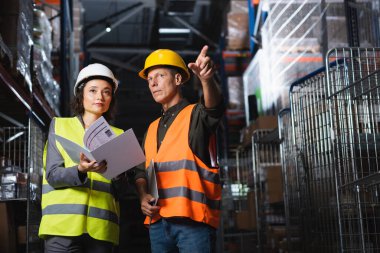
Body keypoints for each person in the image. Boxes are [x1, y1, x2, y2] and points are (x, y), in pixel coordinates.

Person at [133, 45, 224, 253]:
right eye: (149, 79)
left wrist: (206, 80)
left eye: (160, 76)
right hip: (157, 223)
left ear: (178, 79)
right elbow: (140, 171)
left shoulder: (195, 115)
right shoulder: (151, 128)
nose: (153, 83)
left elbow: (214, 109)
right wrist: (142, 195)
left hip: (192, 221)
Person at [38, 63, 124, 253]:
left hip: (101, 231)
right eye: (93, 90)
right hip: (62, 228)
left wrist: (116, 173)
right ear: (81, 94)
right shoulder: (60, 127)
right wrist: (80, 170)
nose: (100, 97)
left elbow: (121, 190)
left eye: (106, 92)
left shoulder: (118, 135)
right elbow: (52, 175)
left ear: (111, 98)